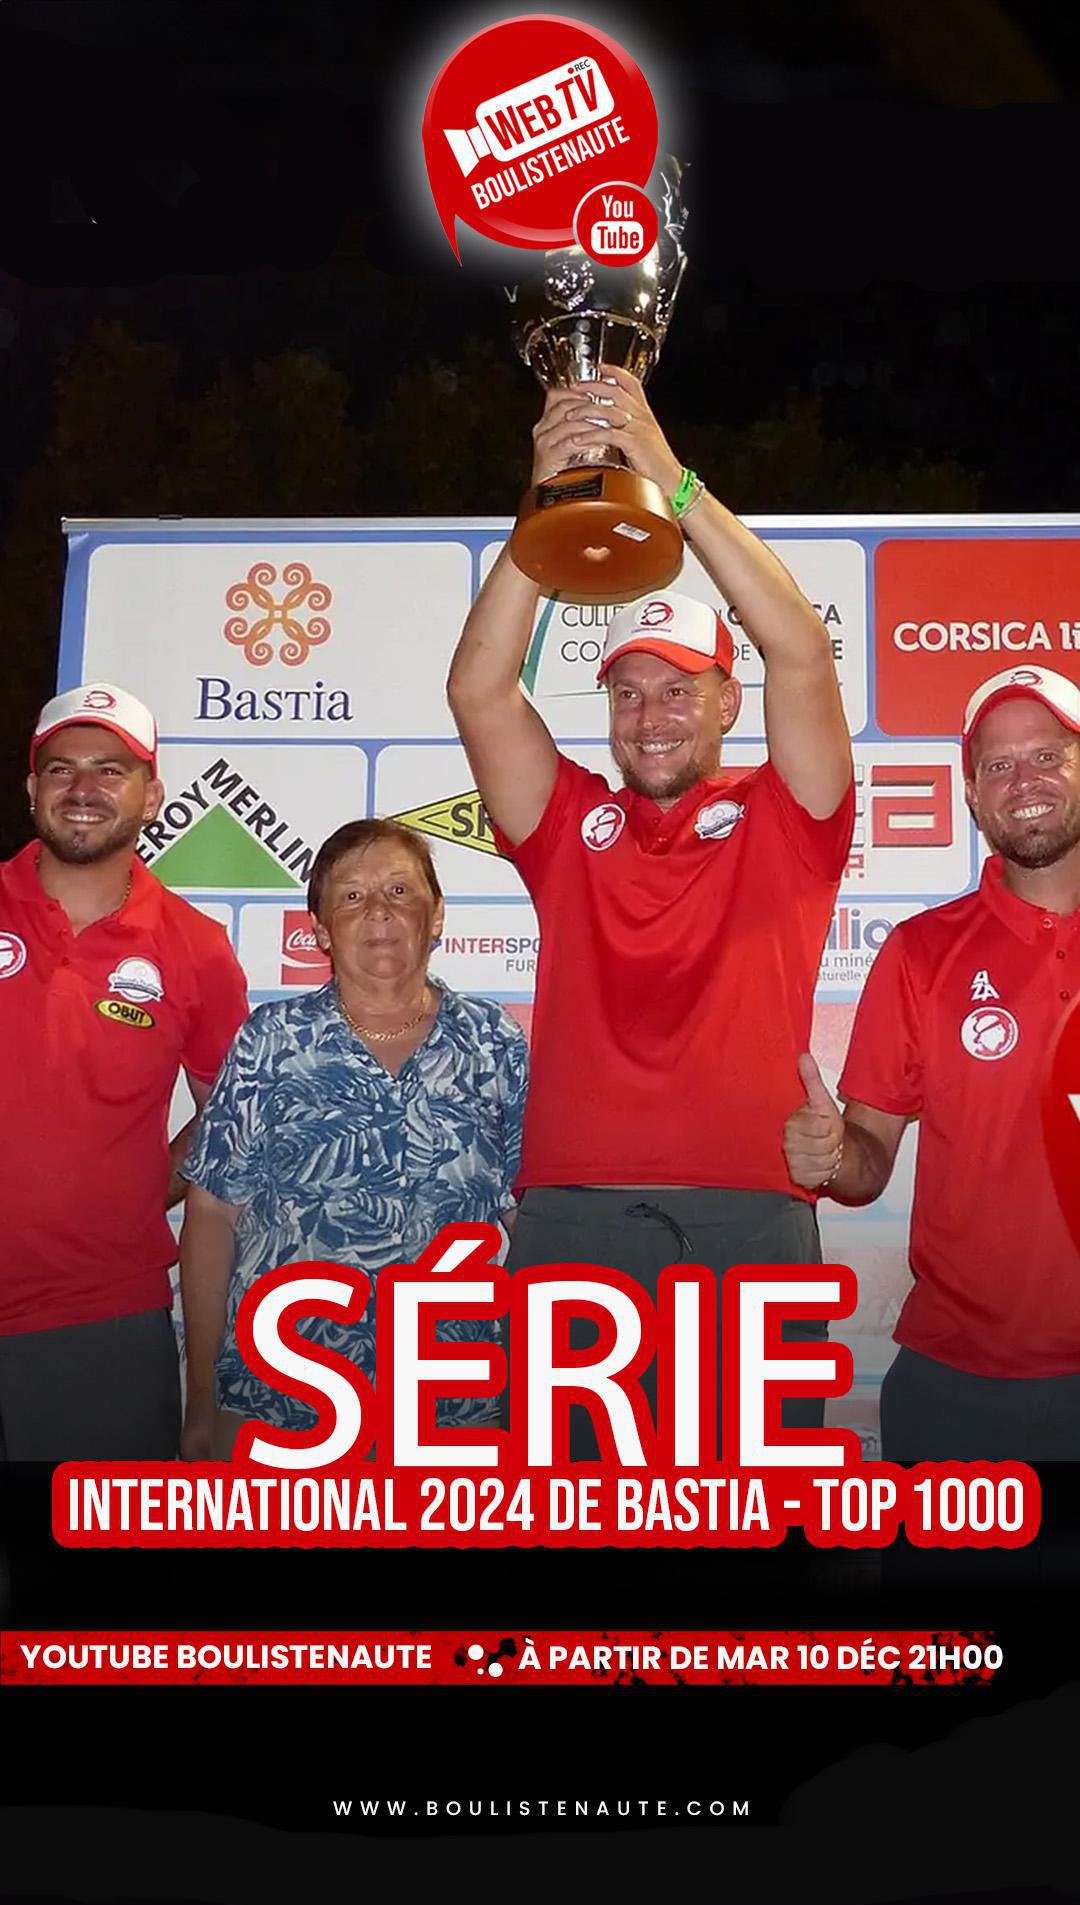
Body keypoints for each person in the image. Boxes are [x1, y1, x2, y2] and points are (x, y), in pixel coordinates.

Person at [447, 367, 853, 1453]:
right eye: (627, 691)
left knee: (752, 1524)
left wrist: (669, 485)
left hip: (750, 1208)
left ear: (729, 699)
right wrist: (549, 495)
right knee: (577, 1536)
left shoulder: (791, 815)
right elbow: (481, 691)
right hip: (572, 1210)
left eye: (680, 686)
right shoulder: (569, 822)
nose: (651, 714)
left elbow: (801, 648)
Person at [783, 663, 1080, 1461]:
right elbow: (869, 1162)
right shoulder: (922, 953)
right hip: (958, 1393)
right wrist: (835, 1153)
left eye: (1050, 755)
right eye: (998, 765)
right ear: (975, 797)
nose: (1026, 780)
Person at [179, 819, 528, 1459]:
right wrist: (203, 1395)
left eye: (400, 892)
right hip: (283, 1401)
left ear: (438, 914)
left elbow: (528, 1215)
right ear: (319, 931)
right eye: (351, 896)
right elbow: (210, 1216)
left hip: (454, 1408)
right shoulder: (271, 1042)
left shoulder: (492, 1041)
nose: (378, 913)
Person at [0, 681, 249, 1461]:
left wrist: (150, 1186)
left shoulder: (196, 946)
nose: (83, 789)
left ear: (152, 795)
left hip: (99, 1319)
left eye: (111, 770)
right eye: (62, 768)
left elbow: (230, 1117)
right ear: (31, 786)